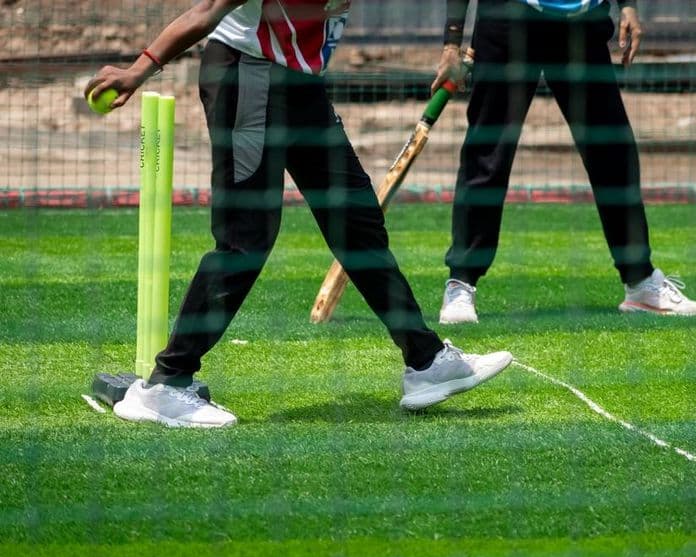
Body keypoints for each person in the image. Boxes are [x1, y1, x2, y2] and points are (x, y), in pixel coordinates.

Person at [85, 0, 512, 428]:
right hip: (247, 75)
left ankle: (426, 361)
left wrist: (451, 47)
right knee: (245, 239)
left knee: (357, 221)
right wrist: (139, 69)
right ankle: (166, 384)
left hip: (301, 87)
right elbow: (206, 12)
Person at [432, 0, 696, 324]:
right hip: (508, 20)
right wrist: (451, 43)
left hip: (581, 23)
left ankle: (640, 282)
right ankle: (461, 285)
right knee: (487, 157)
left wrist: (628, 6)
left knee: (614, 154)